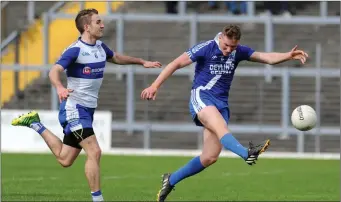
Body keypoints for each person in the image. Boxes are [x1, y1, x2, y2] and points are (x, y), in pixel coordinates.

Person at [141, 25, 308, 202]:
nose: (229, 50)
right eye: (226, 46)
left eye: (233, 47)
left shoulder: (238, 52)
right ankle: (247, 153)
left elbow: (265, 57)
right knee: (221, 128)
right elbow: (175, 64)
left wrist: (287, 56)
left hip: (221, 104)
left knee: (210, 157)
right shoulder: (206, 48)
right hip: (202, 97)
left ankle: (171, 179)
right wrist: (154, 86)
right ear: (220, 37)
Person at [11, 8, 162, 202]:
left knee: (65, 159)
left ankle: (35, 123)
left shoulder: (100, 47)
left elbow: (115, 57)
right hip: (74, 108)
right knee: (95, 151)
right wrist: (59, 88)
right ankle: (97, 199)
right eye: (98, 22)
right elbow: (54, 71)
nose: (102, 25)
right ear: (86, 26)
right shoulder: (75, 50)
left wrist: (142, 62)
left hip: (87, 111)